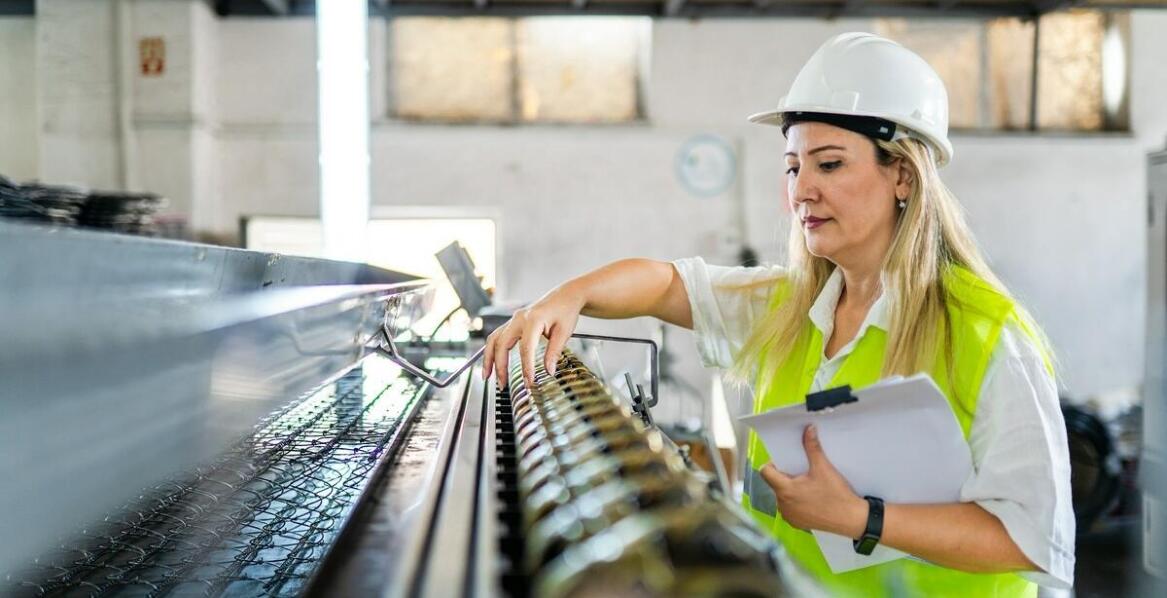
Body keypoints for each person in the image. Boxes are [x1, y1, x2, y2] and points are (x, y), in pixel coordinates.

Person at [483, 32, 1074, 596]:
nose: (801, 190)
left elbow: (1032, 539)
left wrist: (862, 518)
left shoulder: (987, 333)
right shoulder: (791, 307)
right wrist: (567, 297)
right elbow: (666, 284)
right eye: (793, 166)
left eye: (829, 164)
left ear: (902, 174)